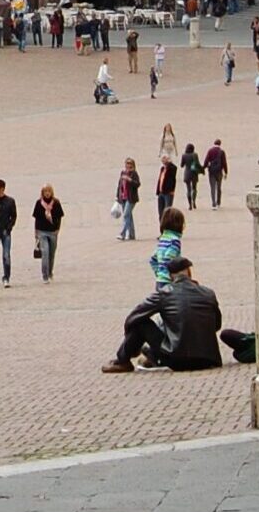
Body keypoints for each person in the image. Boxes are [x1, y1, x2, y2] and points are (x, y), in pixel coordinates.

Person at [104, 256, 249, 372]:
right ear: (189, 272)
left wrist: (131, 343)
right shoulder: (208, 293)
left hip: (176, 358)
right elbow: (216, 325)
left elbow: (133, 317)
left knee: (140, 322)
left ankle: (123, 361)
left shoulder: (165, 293)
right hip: (209, 358)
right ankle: (146, 355)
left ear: (170, 276)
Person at [31, 185, 64, 282]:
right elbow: (36, 218)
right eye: (45, 191)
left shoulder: (56, 203)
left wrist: (58, 229)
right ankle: (45, 275)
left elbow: (60, 217)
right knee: (45, 253)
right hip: (42, 231)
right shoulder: (39, 203)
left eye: (49, 191)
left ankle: (50, 272)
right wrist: (36, 232)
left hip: (53, 231)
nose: (47, 193)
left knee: (51, 254)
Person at [113, 158, 141, 242]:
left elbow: (138, 184)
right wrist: (117, 196)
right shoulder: (123, 173)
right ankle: (132, 235)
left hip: (131, 198)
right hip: (123, 197)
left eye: (130, 164)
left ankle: (123, 233)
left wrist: (130, 180)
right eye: (127, 164)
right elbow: (119, 185)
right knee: (129, 216)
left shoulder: (134, 174)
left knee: (125, 215)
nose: (128, 165)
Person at [203, 140, 228, 207]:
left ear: (214, 143)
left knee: (212, 188)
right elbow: (224, 162)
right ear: (220, 144)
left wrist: (203, 168)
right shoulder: (222, 152)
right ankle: (218, 202)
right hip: (219, 172)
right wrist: (226, 172)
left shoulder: (210, 151)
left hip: (211, 171)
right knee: (219, 188)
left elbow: (206, 160)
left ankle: (213, 202)